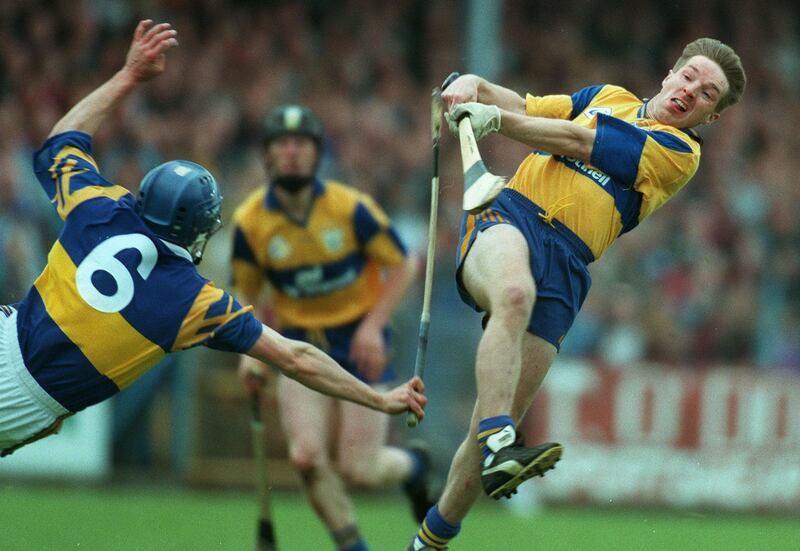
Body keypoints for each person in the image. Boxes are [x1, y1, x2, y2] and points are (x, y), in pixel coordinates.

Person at [0, 20, 427, 459]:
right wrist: (377, 398)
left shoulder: (99, 205)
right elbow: (296, 357)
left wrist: (128, 76)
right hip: (25, 398)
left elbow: (61, 140)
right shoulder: (194, 301)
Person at [407, 38, 746, 550]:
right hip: (508, 215)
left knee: (487, 431)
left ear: (711, 116)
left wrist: (493, 121)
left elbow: (577, 141)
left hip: (568, 265)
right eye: (689, 76)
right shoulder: (605, 94)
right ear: (669, 73)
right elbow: (523, 105)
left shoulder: (681, 154)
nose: (690, 91)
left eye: (706, 94)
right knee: (514, 294)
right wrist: (475, 86)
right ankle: (502, 441)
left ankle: (428, 541)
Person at [231, 103, 435, 551]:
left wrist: (373, 323)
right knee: (305, 457)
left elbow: (403, 264)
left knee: (358, 469)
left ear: (317, 153)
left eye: (301, 144)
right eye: (281, 144)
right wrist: (250, 356)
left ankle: (414, 468)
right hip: (299, 344)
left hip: (361, 341)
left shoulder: (350, 208)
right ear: (267, 155)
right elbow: (246, 295)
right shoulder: (250, 222)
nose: (291, 153)